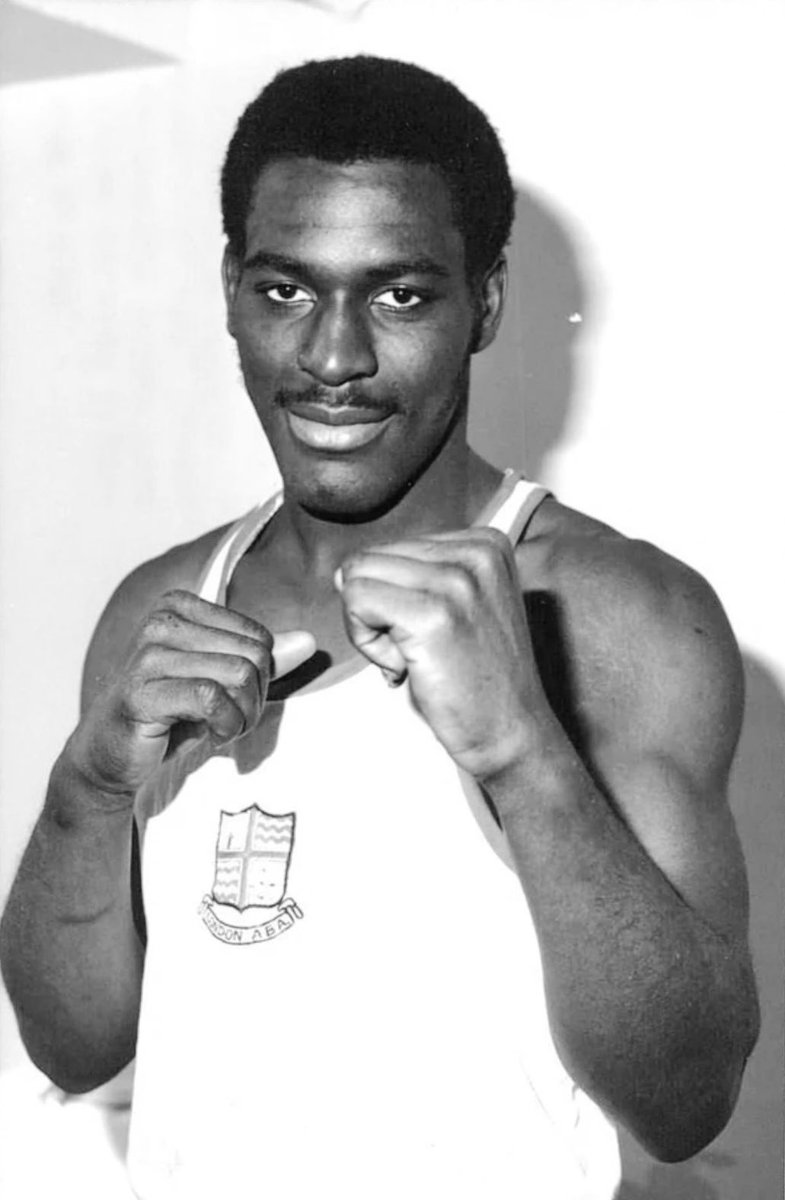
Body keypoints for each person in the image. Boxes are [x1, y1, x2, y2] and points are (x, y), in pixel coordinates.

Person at [0, 55, 759, 1200]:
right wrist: (85, 794)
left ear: (485, 303)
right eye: (285, 291)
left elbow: (682, 1103)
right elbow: (76, 1047)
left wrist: (521, 751)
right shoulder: (163, 609)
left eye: (398, 294)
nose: (332, 358)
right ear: (229, 291)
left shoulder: (626, 617)